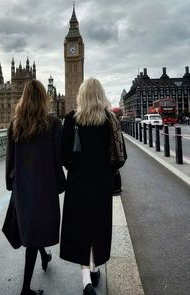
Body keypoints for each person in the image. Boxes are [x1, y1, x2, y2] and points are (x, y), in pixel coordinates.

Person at [60, 78, 126, 295]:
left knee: (80, 229)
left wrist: (75, 164)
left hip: (78, 184)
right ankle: (95, 267)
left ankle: (86, 280)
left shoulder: (71, 119)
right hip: (101, 184)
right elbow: (120, 156)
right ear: (100, 95)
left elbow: (63, 156)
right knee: (97, 227)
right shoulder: (110, 120)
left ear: (81, 96)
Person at [3, 79, 65, 295]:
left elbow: (9, 159)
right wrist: (60, 183)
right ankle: (25, 290)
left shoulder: (15, 124)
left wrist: (10, 182)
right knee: (33, 234)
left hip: (23, 188)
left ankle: (45, 256)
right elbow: (59, 159)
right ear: (44, 98)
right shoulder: (54, 124)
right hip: (44, 188)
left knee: (31, 228)